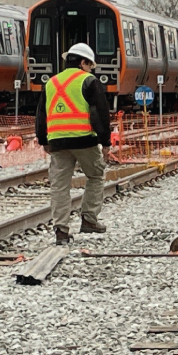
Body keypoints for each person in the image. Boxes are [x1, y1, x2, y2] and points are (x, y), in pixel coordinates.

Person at [35, 42, 111, 245]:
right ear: (83, 62)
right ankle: (89, 219)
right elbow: (99, 114)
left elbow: (41, 114)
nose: (90, 68)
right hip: (85, 139)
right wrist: (106, 142)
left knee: (59, 186)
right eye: (89, 64)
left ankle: (61, 231)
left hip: (57, 142)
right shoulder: (89, 81)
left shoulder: (51, 82)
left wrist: (43, 140)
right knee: (95, 175)